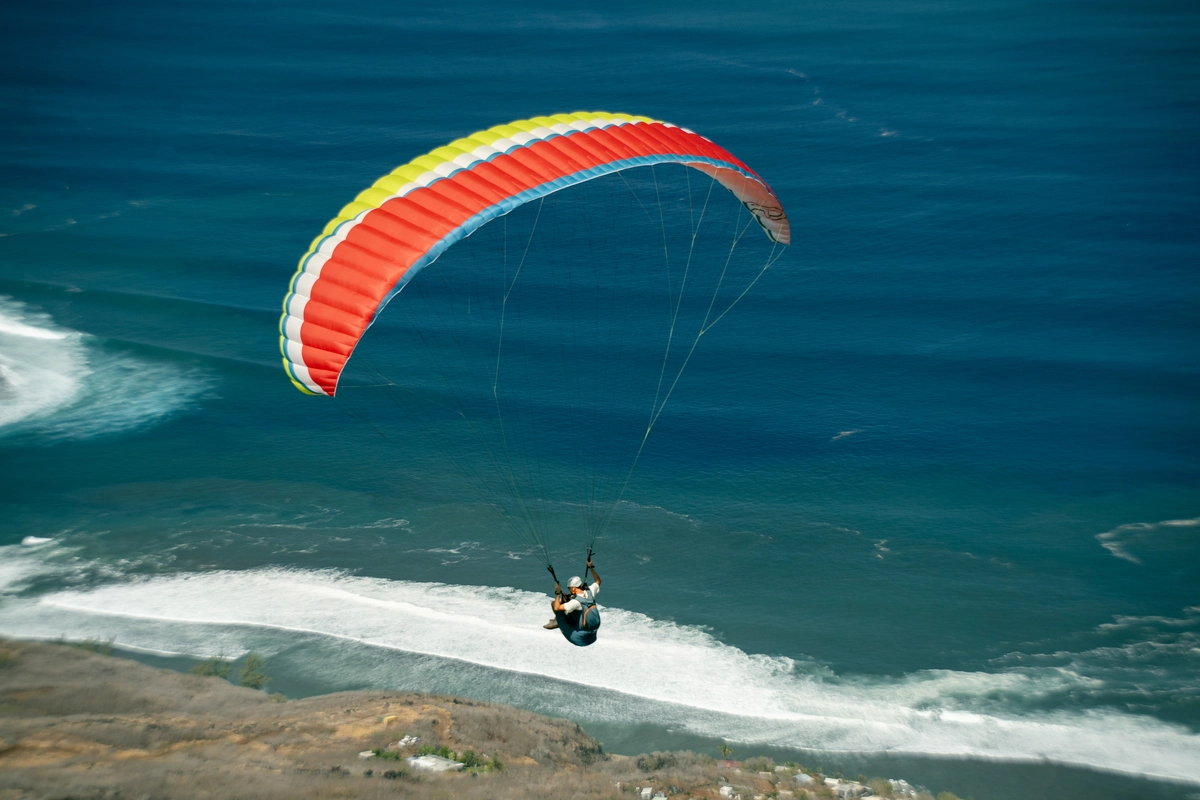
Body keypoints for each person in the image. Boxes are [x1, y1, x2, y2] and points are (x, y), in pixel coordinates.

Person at [544, 556, 601, 647]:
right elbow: (598, 581)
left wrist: (558, 593)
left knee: (555, 604)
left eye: (570, 589)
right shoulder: (591, 591)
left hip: (579, 639)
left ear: (573, 589)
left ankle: (558, 622)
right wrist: (590, 567)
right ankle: (565, 620)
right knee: (574, 609)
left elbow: (557, 607)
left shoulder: (575, 603)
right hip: (592, 636)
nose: (570, 591)